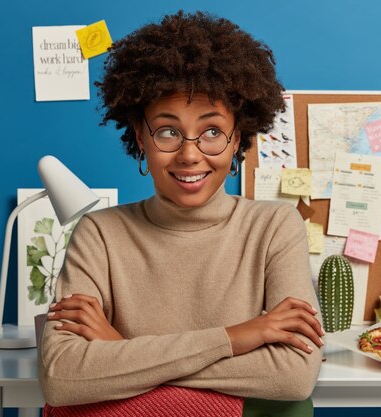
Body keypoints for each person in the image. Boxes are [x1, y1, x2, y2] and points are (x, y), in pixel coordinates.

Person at [38, 10, 324, 407]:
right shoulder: (99, 234)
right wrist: (237, 337)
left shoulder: (274, 226)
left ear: (236, 137)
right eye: (168, 131)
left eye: (211, 132)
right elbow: (62, 376)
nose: (190, 155)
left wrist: (122, 351)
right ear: (141, 137)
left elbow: (293, 375)